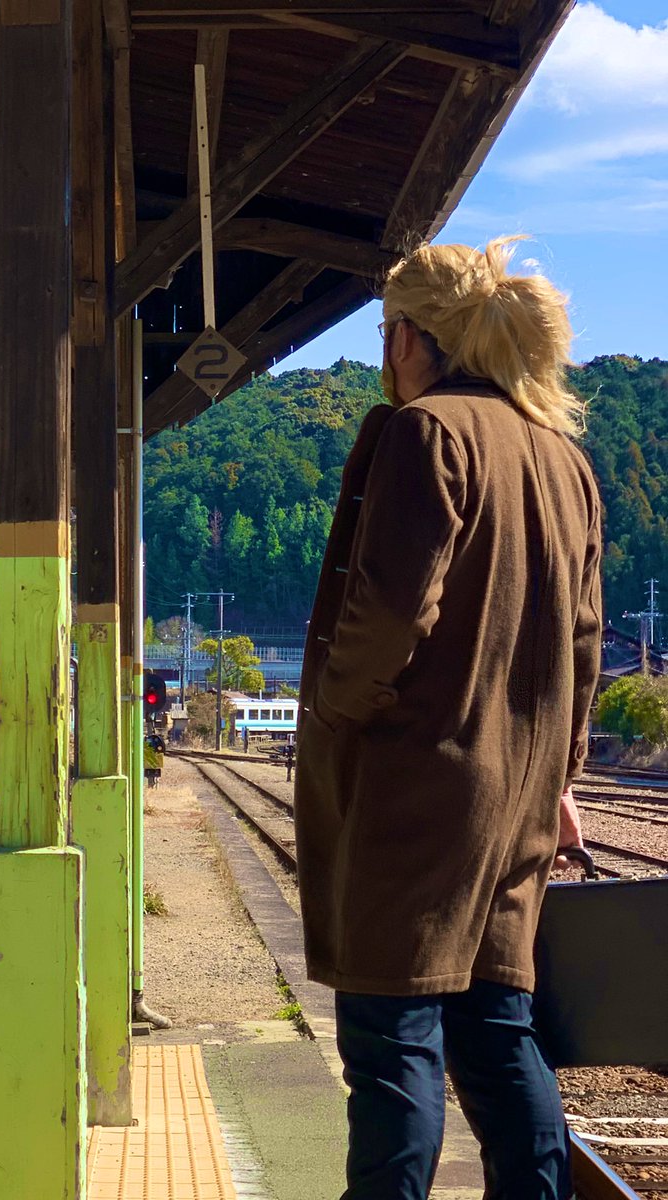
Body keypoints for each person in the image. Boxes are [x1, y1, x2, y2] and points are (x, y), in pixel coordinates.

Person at [294, 237, 602, 1200]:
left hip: (418, 787)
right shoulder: (562, 458)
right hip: (517, 793)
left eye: (388, 332)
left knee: (393, 1035)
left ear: (412, 337)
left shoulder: (426, 432)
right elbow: (585, 641)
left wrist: (335, 713)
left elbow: (392, 611)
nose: (386, 353)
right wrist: (558, 779)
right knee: (497, 1028)